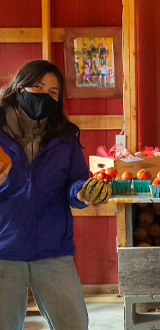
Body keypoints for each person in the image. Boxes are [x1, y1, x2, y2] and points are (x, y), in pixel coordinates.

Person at [0, 60, 99, 329]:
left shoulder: (65, 136)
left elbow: (75, 181)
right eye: (38, 86)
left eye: (53, 92)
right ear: (19, 86)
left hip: (53, 250)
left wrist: (82, 193)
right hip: (4, 251)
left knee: (74, 324)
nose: (45, 95)